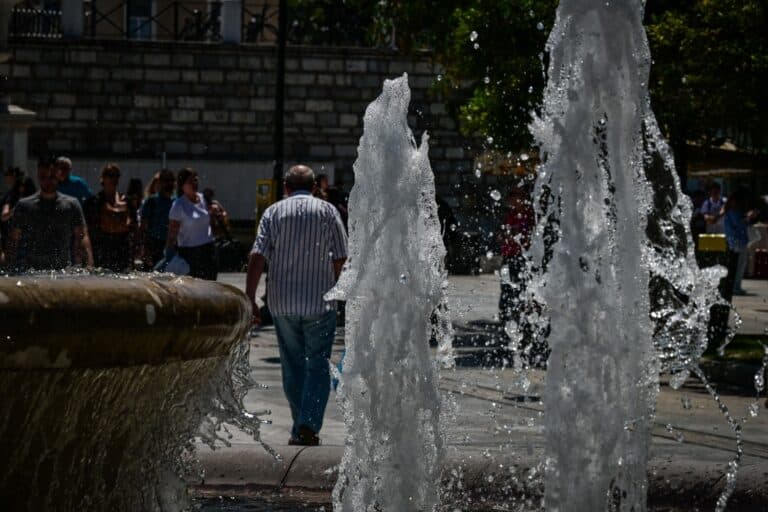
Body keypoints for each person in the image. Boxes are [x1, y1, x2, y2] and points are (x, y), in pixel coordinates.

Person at [246, 165, 348, 446]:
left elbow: (257, 255)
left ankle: (300, 424)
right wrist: (346, 297)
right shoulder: (328, 212)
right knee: (317, 364)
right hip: (320, 301)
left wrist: (250, 297)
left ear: (286, 187)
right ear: (315, 186)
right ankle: (307, 425)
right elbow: (341, 258)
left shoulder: (274, 212)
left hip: (283, 303)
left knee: (292, 365)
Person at [5, 157, 93, 271]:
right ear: (38, 176)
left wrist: (89, 266)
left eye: (52, 177)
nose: (48, 181)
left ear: (59, 175)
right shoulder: (24, 206)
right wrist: (7, 267)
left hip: (62, 271)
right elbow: (13, 239)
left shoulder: (71, 205)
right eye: (43, 177)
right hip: (31, 272)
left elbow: (82, 237)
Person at [165, 168, 217, 280]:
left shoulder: (203, 199)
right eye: (190, 181)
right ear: (182, 185)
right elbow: (172, 235)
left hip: (208, 250)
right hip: (190, 254)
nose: (194, 184)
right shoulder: (179, 205)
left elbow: (209, 224)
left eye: (196, 180)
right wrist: (169, 256)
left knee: (210, 285)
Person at [84, 164, 137, 272]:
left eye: (116, 175)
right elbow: (87, 231)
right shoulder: (93, 202)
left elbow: (134, 228)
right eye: (110, 175)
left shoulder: (127, 201)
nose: (114, 178)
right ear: (103, 178)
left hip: (122, 251)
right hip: (102, 251)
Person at [497, 186, 535, 328]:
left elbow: (529, 237)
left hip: (522, 258)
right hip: (509, 257)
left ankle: (523, 321)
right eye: (511, 195)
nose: (511, 199)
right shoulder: (511, 215)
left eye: (514, 195)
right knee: (506, 289)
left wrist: (512, 237)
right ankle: (506, 319)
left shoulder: (529, 215)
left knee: (521, 290)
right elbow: (501, 235)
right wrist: (503, 237)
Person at [723, 188, 758, 295]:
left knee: (740, 265)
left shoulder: (734, 211)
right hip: (736, 242)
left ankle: (736, 286)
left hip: (739, 241)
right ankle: (735, 286)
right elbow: (738, 224)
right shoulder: (732, 212)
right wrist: (748, 217)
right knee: (738, 266)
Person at [139, 169, 175, 269]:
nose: (169, 183)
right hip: (154, 246)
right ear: (160, 182)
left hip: (171, 247)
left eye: (172, 180)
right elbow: (143, 228)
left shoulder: (177, 203)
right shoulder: (151, 201)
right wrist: (145, 251)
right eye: (166, 180)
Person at [1, 167, 36, 252]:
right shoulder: (11, 197)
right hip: (12, 235)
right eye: (20, 185)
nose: (22, 188)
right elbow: (4, 216)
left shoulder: (34, 200)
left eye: (24, 186)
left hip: (28, 237)